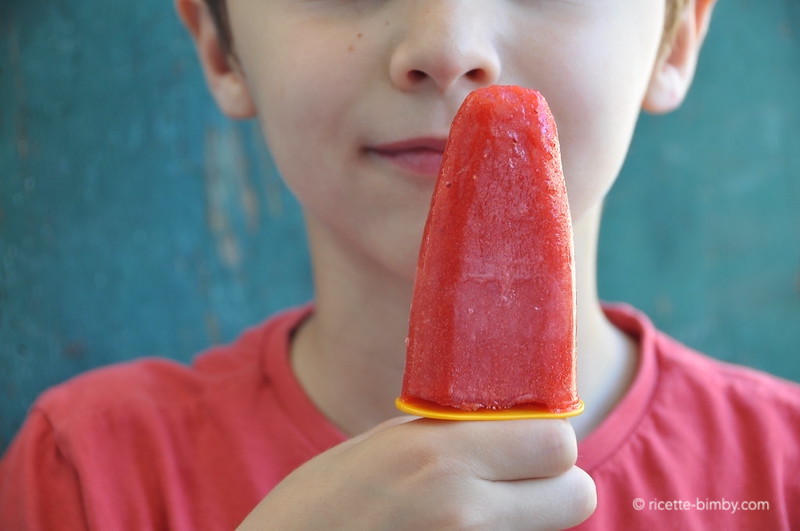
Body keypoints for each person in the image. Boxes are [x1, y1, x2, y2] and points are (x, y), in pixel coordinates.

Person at [2, 0, 799, 528]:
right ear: (220, 44)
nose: (446, 49)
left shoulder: (783, 473)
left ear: (681, 33)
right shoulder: (85, 476)